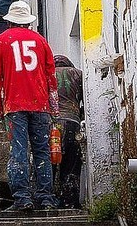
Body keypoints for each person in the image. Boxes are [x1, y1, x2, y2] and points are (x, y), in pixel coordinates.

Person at [0, 1, 59, 212]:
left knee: (18, 151)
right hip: (40, 104)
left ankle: (22, 198)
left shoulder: (1, 41)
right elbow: (51, 77)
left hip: (15, 105)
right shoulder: (41, 41)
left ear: (9, 21)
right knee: (42, 151)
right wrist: (54, 109)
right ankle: (46, 198)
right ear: (28, 22)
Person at [53, 55, 84, 209]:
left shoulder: (44, 73)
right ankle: (69, 201)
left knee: (48, 161)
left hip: (50, 123)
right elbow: (85, 99)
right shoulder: (78, 74)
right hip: (72, 121)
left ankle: (46, 199)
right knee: (72, 162)